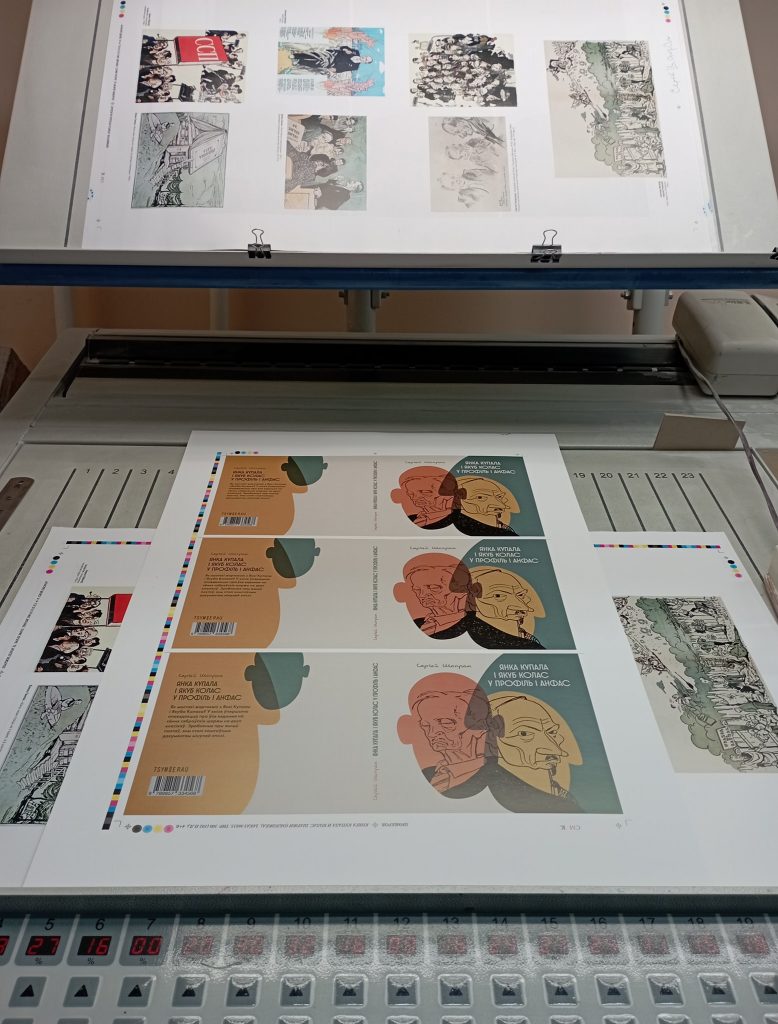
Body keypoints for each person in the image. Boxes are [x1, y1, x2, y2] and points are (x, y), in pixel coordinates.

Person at [291, 46, 373, 76]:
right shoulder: (356, 52)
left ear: (365, 62)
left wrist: (335, 70)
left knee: (316, 64)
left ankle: (299, 62)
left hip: (332, 64)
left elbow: (344, 69)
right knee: (316, 55)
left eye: (366, 60)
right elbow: (343, 47)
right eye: (366, 57)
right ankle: (296, 56)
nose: (364, 58)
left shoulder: (355, 67)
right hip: (333, 54)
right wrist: (347, 50)